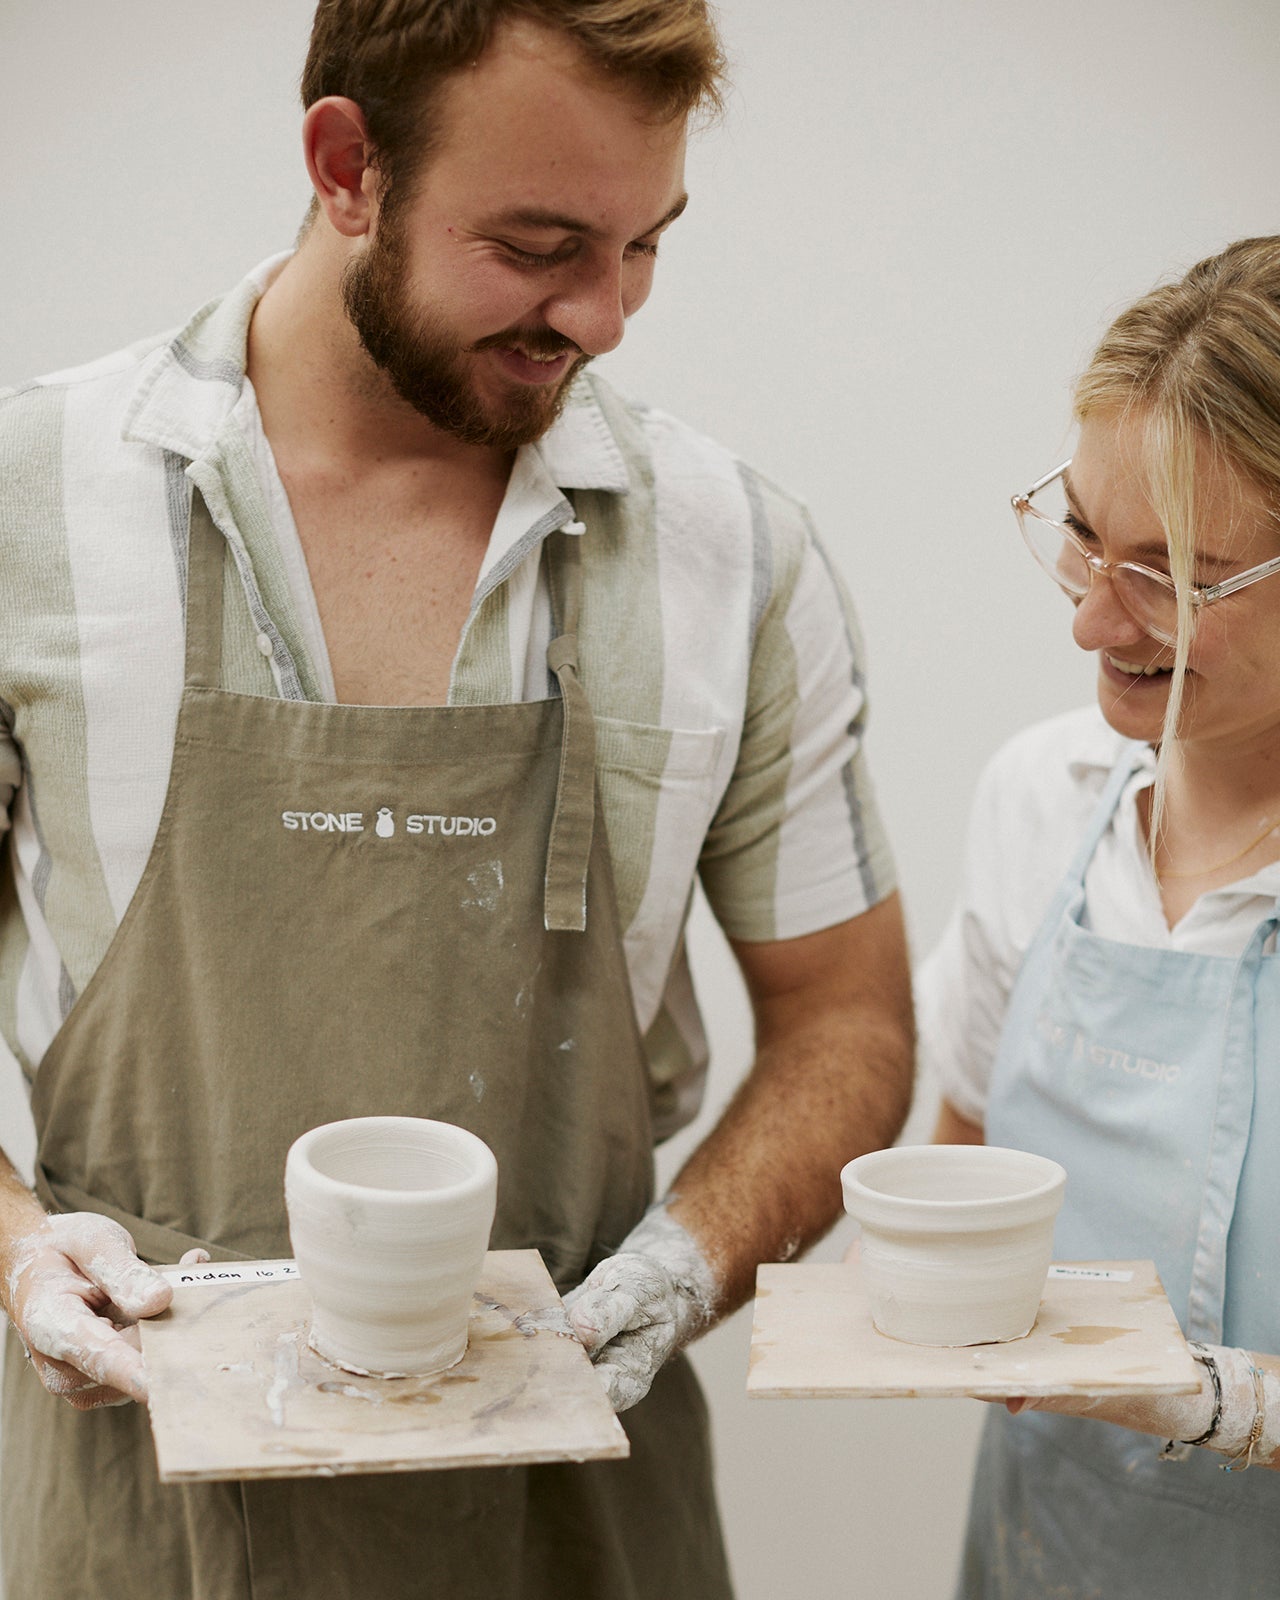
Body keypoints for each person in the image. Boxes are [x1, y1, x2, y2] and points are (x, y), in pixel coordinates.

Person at [0, 4, 914, 1597]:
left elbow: (851, 1027)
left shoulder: (733, 556)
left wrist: (687, 1266)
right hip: (136, 1509)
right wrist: (16, 1245)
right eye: (542, 244)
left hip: (567, 1525)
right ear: (348, 166)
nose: (610, 316)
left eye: (646, 247)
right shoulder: (32, 512)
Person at [920, 236, 1280, 1599]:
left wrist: (1213, 1400)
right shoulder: (1044, 799)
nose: (1092, 624)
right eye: (1081, 534)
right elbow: (962, 1163)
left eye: (1176, 571)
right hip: (1045, 1556)